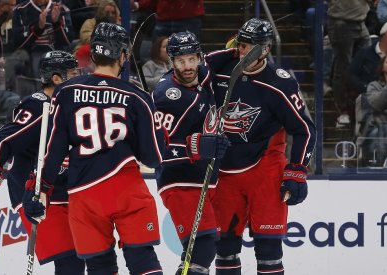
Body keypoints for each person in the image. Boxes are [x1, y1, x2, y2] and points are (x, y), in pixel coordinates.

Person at [23, 22, 166, 275]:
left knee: (100, 266)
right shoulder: (137, 97)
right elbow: (153, 157)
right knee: (142, 260)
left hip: (84, 193)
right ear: (122, 55)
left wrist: (40, 189)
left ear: (92, 55)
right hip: (126, 189)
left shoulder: (66, 92)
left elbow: (53, 151)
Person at [205, 18, 317, 275]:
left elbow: (305, 129)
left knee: (268, 251)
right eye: (241, 45)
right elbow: (186, 75)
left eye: (250, 47)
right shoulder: (219, 69)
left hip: (264, 168)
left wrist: (297, 169)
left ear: (265, 50)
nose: (243, 52)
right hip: (225, 168)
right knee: (224, 248)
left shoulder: (279, 82)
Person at [0, 51, 87, 273]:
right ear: (56, 78)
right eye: (73, 74)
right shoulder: (37, 106)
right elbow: (6, 138)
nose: (79, 78)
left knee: (78, 260)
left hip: (63, 192)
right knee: (70, 260)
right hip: (33, 193)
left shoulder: (70, 106)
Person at [152, 31, 230, 275]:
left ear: (199, 57)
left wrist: (240, 48)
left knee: (199, 250)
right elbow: (157, 148)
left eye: (191, 59)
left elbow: (221, 59)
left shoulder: (204, 75)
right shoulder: (168, 96)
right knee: (203, 246)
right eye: (180, 61)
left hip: (203, 177)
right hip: (178, 178)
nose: (187, 67)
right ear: (171, 62)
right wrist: (195, 146)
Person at [327, 0, 371, 127]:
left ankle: (361, 107)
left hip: (361, 21)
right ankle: (343, 110)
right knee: (344, 67)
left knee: (367, 63)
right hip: (341, 21)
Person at [132, 0, 204, 40]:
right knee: (158, 55)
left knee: (188, 53)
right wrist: (137, 5)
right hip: (164, 20)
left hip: (187, 19)